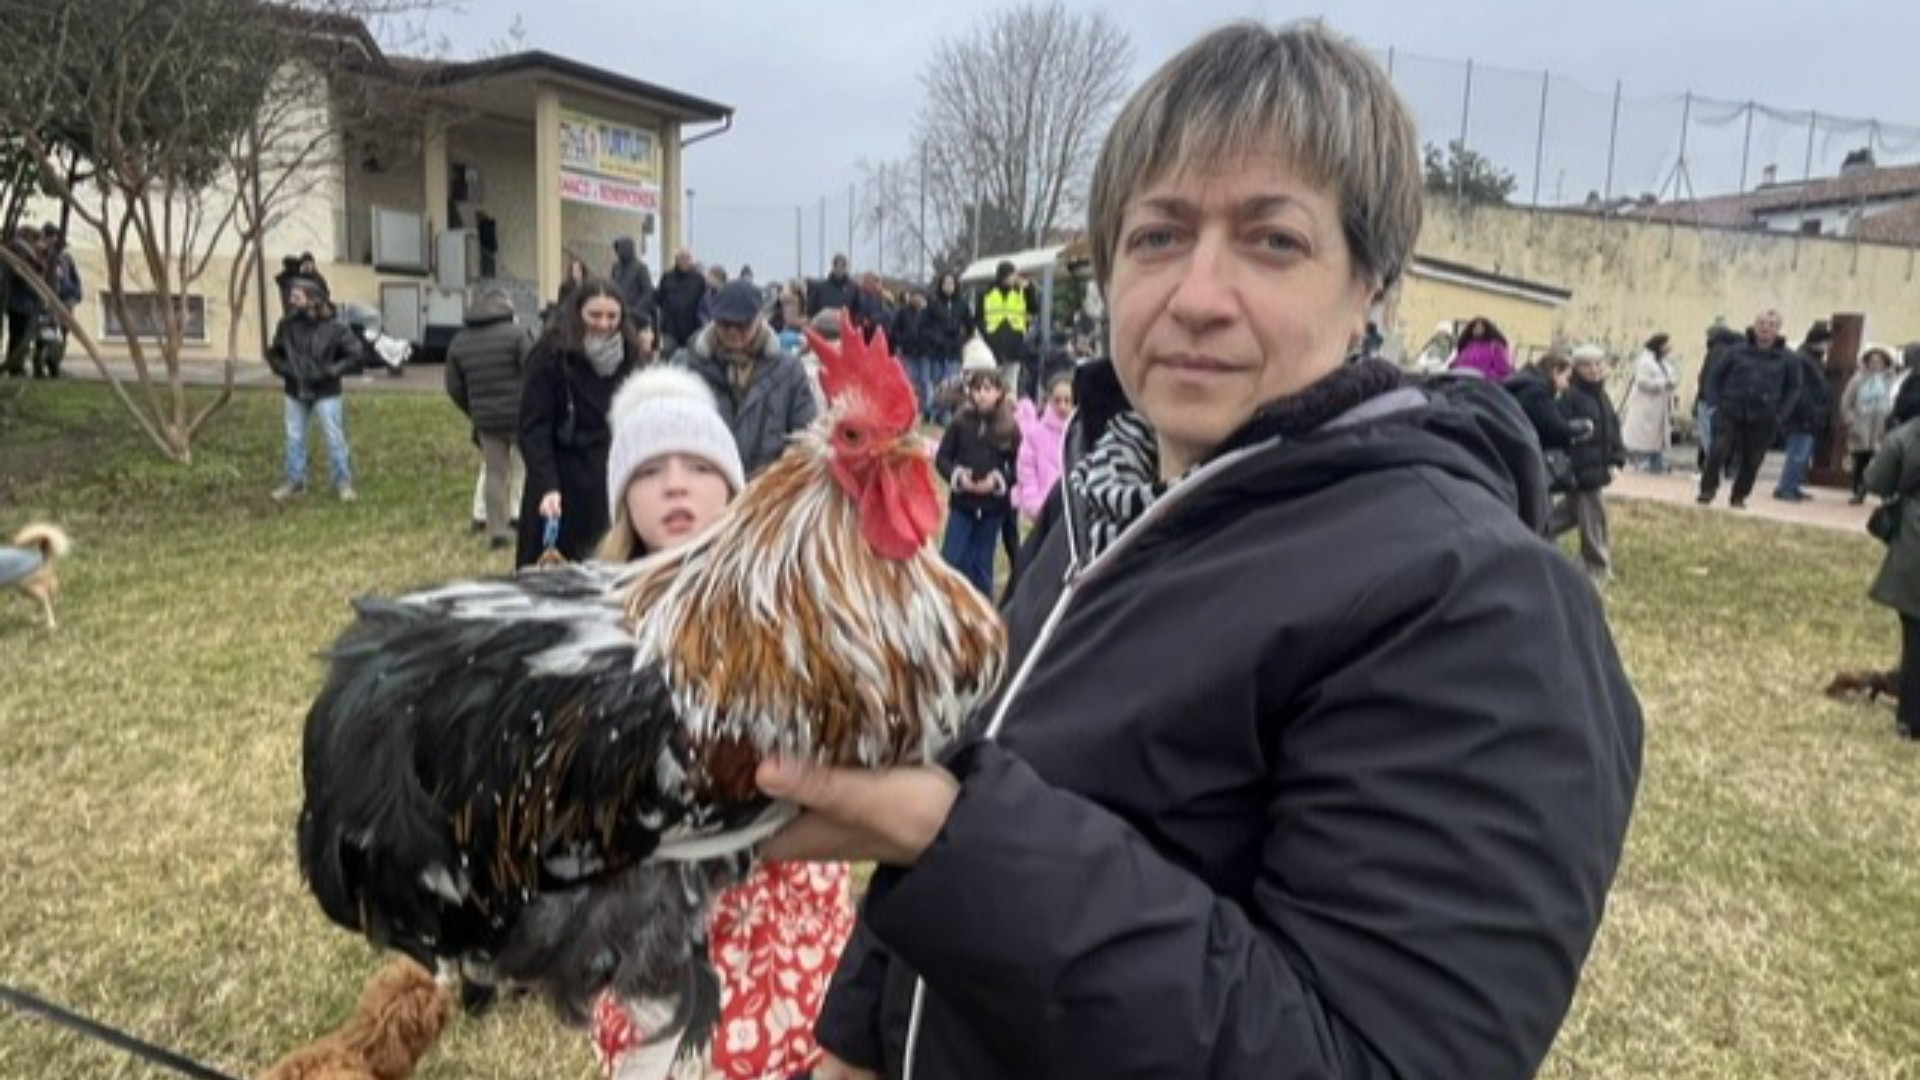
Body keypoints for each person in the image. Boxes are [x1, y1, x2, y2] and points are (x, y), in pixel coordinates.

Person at [760, 23, 1640, 1080]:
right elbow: (977, 776)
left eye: (1272, 240)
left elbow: (1357, 1059)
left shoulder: (1478, 604)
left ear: (1370, 285)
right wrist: (856, 1039)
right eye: (1158, 236)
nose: (1197, 294)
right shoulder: (1107, 495)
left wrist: (949, 833)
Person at [588, 366, 857, 1080]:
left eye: (700, 466)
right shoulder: (601, 623)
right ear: (622, 498)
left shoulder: (787, 601)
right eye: (649, 470)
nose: (676, 485)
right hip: (657, 922)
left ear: (734, 486)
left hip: (782, 904)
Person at [514, 278, 641, 568]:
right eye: (595, 315)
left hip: (609, 477)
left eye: (612, 316)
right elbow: (533, 427)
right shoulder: (550, 354)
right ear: (578, 314)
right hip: (561, 478)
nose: (604, 324)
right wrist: (546, 485)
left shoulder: (631, 358)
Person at [670, 279, 819, 477]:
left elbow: (805, 437)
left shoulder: (788, 371)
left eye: (742, 325)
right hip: (706, 488)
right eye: (725, 324)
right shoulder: (686, 367)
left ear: (760, 319)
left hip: (765, 492)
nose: (733, 333)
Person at [446, 289, 534, 550]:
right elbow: (532, 370)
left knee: (494, 473)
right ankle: (521, 516)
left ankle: (495, 528)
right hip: (519, 414)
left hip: (485, 419)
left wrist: (473, 410)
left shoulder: (459, 341)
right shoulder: (518, 334)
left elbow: (453, 386)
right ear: (507, 309)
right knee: (524, 467)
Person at [266, 278, 362, 502]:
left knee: (334, 437)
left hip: (326, 391)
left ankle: (343, 482)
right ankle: (295, 482)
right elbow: (275, 353)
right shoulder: (287, 325)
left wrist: (330, 371)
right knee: (294, 436)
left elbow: (355, 354)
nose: (291, 300)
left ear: (313, 298)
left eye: (297, 296)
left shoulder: (336, 327)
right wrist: (287, 370)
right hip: (295, 389)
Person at [933, 351, 1019, 596]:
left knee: (982, 565)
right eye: (977, 389)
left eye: (988, 388)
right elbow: (942, 458)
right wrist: (958, 477)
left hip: (993, 508)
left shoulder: (1010, 428)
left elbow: (1018, 466)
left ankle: (981, 608)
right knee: (952, 558)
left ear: (1000, 393)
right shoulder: (960, 423)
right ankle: (949, 603)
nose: (982, 394)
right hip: (963, 504)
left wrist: (998, 480)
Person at [1697, 309, 1800, 509]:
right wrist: (1714, 406)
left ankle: (1739, 496)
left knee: (1752, 460)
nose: (1765, 328)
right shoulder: (1735, 351)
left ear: (1777, 330)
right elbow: (1714, 379)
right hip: (1730, 410)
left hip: (1764, 416)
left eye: (1771, 325)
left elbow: (1794, 388)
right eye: (1761, 323)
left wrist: (1781, 415)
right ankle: (1707, 490)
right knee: (1718, 450)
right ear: (1754, 325)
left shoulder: (1788, 359)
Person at [1862, 406, 1920, 742]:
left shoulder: (1907, 436)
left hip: (1915, 539)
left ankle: (1912, 719)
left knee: (1916, 637)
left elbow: (1875, 480)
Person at [1552, 346, 1626, 586]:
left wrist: (1617, 458)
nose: (1595, 370)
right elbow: (1561, 431)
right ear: (1577, 369)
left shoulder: (1602, 397)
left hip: (1598, 468)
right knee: (1594, 518)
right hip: (1582, 470)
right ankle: (1595, 563)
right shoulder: (1571, 397)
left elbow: (1612, 430)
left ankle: (1533, 532)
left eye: (1599, 365)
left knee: (1568, 515)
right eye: (1588, 366)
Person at [1773, 320, 1833, 502]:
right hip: (1803, 416)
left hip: (1810, 415)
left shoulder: (1811, 359)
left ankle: (1793, 485)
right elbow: (1802, 390)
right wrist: (1810, 412)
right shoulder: (1804, 359)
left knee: (1803, 454)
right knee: (1798, 453)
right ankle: (1786, 488)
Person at [1012, 370, 1073, 522]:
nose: (1062, 406)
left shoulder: (1081, 433)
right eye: (1057, 400)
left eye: (1067, 401)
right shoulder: (1035, 434)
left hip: (1073, 511)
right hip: (1041, 509)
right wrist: (1034, 503)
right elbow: (1026, 471)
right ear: (1048, 400)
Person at [1842, 345, 1897, 505]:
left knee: (1883, 464)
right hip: (1861, 428)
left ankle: (1885, 494)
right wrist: (1851, 421)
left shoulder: (1891, 381)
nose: (1875, 365)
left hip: (1881, 429)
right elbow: (1846, 403)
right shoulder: (1857, 380)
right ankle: (1859, 492)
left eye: (1879, 362)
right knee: (1861, 463)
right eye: (1872, 361)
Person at [976, 260, 1037, 399]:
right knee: (991, 382)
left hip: (1015, 342)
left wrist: (1029, 289)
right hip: (993, 342)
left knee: (1011, 384)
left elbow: (1033, 309)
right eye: (1011, 275)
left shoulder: (1021, 291)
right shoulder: (987, 293)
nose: (1014, 278)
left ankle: (1009, 413)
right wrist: (986, 333)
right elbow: (978, 317)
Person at [1621, 332, 1678, 473]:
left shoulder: (1663, 362)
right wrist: (1663, 383)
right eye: (1666, 345)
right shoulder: (1645, 362)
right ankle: (1641, 465)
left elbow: (1671, 375)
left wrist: (1671, 382)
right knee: (1642, 438)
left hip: (1659, 407)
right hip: (1646, 406)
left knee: (1656, 439)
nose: (1669, 347)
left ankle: (1654, 464)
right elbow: (1642, 381)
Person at [922, 273, 970, 423]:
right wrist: (934, 337)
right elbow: (923, 326)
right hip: (936, 351)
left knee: (952, 382)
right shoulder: (933, 303)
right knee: (937, 383)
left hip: (954, 350)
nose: (948, 286)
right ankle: (934, 411)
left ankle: (946, 414)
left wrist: (962, 339)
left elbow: (970, 325)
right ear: (941, 285)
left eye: (951, 283)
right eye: (945, 283)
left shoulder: (962, 304)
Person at [656, 250, 709, 356]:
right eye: (682, 259)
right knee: (665, 353)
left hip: (692, 330)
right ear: (676, 260)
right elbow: (659, 298)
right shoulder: (667, 277)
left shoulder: (699, 280)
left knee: (693, 358)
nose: (685, 262)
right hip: (670, 330)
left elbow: (705, 302)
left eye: (687, 259)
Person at [610, 237, 656, 331]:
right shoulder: (616, 267)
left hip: (635, 314)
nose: (618, 252)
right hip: (618, 311)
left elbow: (648, 292)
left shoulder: (640, 268)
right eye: (617, 249)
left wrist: (636, 309)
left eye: (621, 248)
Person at [1449, 315, 1512, 381]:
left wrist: (1485, 376)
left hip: (1482, 385)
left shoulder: (1495, 347)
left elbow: (1502, 371)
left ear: (1486, 329)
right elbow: (1457, 362)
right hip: (1461, 380)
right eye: (1475, 327)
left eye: (1480, 327)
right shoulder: (1468, 345)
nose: (1477, 329)